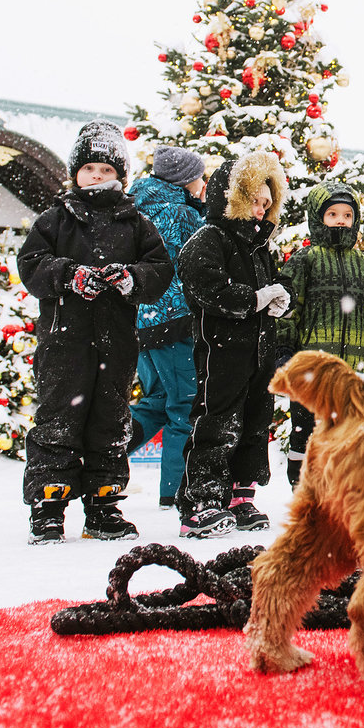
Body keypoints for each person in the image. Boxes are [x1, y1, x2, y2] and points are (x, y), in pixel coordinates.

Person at [17, 120, 175, 545]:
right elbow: (31, 265)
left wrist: (130, 278)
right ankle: (49, 506)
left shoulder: (137, 223)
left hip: (116, 340)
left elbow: (161, 269)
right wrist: (68, 275)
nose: (97, 177)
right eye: (89, 169)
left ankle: (104, 506)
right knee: (58, 417)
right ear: (75, 174)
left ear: (120, 177)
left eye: (106, 171)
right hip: (64, 340)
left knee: (110, 419)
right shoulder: (55, 219)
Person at [175, 151, 289, 538]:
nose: (260, 211)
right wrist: (254, 299)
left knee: (255, 422)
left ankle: (242, 493)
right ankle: (201, 498)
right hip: (222, 350)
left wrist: (278, 300)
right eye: (254, 201)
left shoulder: (259, 246)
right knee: (217, 420)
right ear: (232, 196)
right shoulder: (209, 239)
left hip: (259, 352)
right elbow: (206, 286)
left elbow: (273, 284)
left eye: (265, 204)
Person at [277, 180, 364, 488]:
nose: (341, 220)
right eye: (333, 214)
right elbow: (288, 309)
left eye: (347, 215)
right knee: (306, 426)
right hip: (313, 365)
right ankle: (302, 485)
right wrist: (283, 350)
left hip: (353, 367)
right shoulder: (305, 260)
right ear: (318, 218)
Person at [127, 144, 209, 510]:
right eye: (199, 176)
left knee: (156, 401)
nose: (203, 182)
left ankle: (101, 454)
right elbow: (199, 258)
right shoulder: (179, 212)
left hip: (144, 321)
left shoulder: (139, 206)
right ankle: (175, 490)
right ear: (184, 179)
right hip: (175, 321)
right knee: (186, 406)